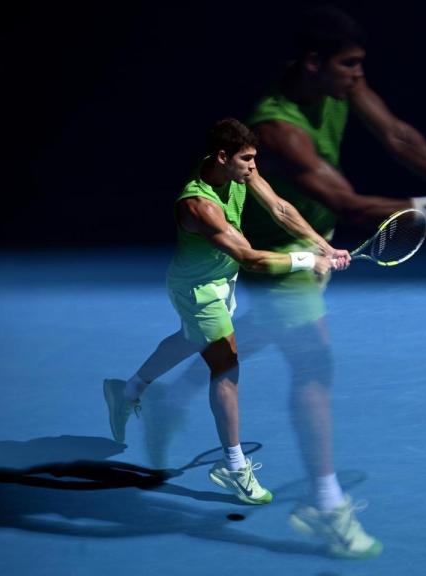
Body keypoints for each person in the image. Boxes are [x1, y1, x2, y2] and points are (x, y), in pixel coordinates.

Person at [151, 6, 426, 559]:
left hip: (315, 237)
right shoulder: (276, 128)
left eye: (361, 66)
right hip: (279, 253)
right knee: (314, 366)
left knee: (263, 335)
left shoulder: (342, 87)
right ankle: (324, 501)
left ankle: (172, 396)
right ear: (313, 63)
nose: (358, 76)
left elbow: (398, 136)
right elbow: (346, 202)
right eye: (349, 66)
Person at [103, 118, 350, 506]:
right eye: (247, 160)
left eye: (254, 159)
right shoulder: (198, 205)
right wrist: (305, 261)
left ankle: (128, 389)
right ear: (223, 157)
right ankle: (232, 465)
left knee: (190, 339)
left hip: (222, 281)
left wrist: (323, 247)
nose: (253, 167)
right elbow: (251, 259)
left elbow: (281, 210)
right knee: (226, 367)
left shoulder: (236, 171)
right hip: (198, 290)